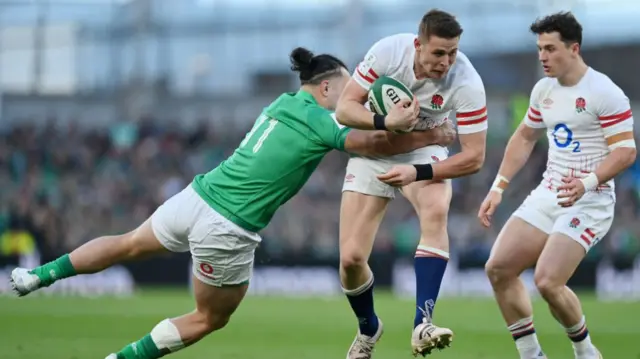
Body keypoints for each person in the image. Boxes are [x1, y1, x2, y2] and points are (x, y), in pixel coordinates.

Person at [9, 47, 456, 359]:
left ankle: (37, 276)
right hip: (227, 227)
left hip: (196, 196)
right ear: (323, 89)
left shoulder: (281, 104)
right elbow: (371, 144)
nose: (350, 97)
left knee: (126, 243)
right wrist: (424, 133)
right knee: (209, 318)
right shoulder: (321, 119)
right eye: (345, 89)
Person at [478, 12, 635, 359]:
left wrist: (587, 182)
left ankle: (586, 352)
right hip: (550, 192)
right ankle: (531, 354)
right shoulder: (543, 89)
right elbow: (524, 136)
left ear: (574, 48)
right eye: (539, 49)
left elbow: (626, 151)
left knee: (547, 281)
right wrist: (498, 187)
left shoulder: (604, 92)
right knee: (498, 269)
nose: (542, 56)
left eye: (550, 48)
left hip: (590, 198)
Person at [334, 9, 487, 358]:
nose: (446, 61)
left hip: (426, 146)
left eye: (452, 52)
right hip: (378, 145)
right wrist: (386, 119)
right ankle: (369, 329)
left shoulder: (466, 81)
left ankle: (423, 323)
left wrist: (416, 173)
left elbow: (474, 158)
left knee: (436, 209)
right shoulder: (389, 52)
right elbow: (344, 109)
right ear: (418, 45)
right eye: (438, 53)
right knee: (351, 259)